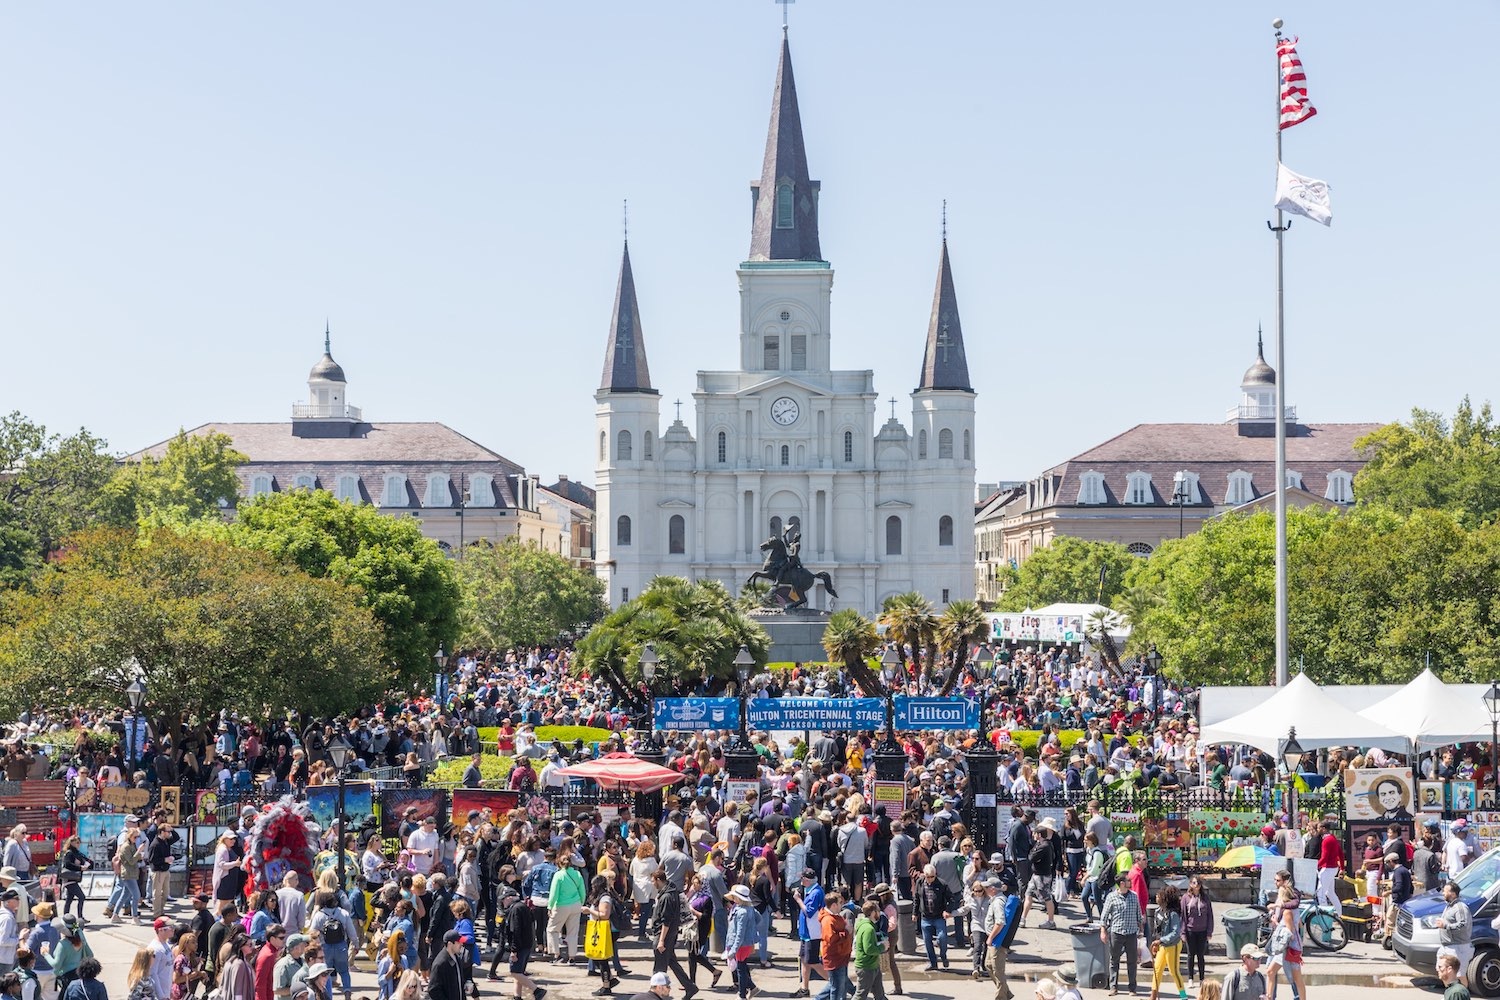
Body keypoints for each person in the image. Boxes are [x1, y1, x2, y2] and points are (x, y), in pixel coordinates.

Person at [646, 870, 696, 1000]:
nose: (652, 884)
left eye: (653, 881)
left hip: (664, 935)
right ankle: (690, 987)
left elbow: (666, 921)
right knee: (672, 962)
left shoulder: (667, 896)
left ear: (658, 880)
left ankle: (656, 994)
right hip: (670, 934)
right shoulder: (670, 892)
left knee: (659, 968)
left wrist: (661, 940)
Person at [1264, 871, 1305, 1000]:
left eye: (1278, 881)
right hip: (1284, 945)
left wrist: (1278, 908)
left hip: (1287, 946)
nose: (1275, 884)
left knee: (1295, 978)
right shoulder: (1286, 907)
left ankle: (1297, 997)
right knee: (1271, 971)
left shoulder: (1290, 904)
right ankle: (1270, 996)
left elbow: (1291, 933)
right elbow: (1298, 923)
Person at [1100, 875, 1141, 997]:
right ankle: (1113, 986)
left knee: (1132, 962)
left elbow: (1138, 915)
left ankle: (1132, 987)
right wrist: (1103, 931)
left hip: (1131, 933)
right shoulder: (1111, 897)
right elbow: (1104, 916)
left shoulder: (1134, 896)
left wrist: (1141, 931)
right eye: (1128, 880)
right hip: (1116, 932)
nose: (1130, 882)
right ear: (1122, 883)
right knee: (1114, 960)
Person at [983, 879, 1021, 1000]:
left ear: (993, 889)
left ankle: (1001, 997)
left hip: (997, 942)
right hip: (995, 941)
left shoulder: (998, 902)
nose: (985, 889)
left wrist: (990, 937)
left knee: (998, 970)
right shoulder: (995, 900)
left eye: (987, 887)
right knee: (988, 965)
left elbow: (1000, 922)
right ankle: (1006, 992)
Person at [546, 853, 587, 964]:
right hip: (576, 904)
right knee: (573, 932)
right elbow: (582, 891)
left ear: (559, 863)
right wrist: (581, 902)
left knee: (552, 929)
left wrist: (550, 906)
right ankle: (572, 957)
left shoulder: (558, 875)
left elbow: (554, 893)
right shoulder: (577, 874)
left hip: (561, 905)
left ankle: (556, 955)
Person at [1149, 886, 1186, 1000]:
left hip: (1172, 945)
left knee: (1174, 971)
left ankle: (1184, 997)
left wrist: (1161, 940)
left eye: (1159, 895)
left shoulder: (1172, 914)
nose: (1156, 896)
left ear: (1165, 898)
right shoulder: (1158, 911)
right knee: (1157, 969)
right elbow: (1157, 930)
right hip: (1162, 945)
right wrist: (1156, 943)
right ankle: (1153, 996)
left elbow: (1176, 932)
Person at [915, 865, 953, 973]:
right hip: (925, 917)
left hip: (938, 917)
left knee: (942, 938)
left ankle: (943, 955)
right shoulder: (920, 883)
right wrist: (915, 913)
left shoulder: (942, 884)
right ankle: (933, 963)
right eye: (928, 877)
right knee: (927, 942)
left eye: (932, 876)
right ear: (924, 875)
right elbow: (916, 898)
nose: (930, 879)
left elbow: (951, 899)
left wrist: (947, 910)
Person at [722, 885, 757, 1000]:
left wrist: (733, 950)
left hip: (741, 945)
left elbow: (739, 934)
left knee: (740, 970)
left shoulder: (742, 912)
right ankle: (752, 988)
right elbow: (759, 919)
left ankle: (742, 995)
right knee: (742, 967)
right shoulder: (749, 908)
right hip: (744, 943)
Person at [1436, 880, 1473, 988]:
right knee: (1442, 972)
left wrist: (1446, 926)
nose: (1443, 893)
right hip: (1446, 946)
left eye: (1445, 891)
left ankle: (1462, 995)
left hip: (1458, 947)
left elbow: (1463, 925)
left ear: (1452, 894)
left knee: (1459, 975)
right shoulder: (1449, 906)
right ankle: (1449, 994)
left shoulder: (1460, 907)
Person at [1180, 875, 1214, 989]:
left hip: (1202, 930)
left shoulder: (1205, 898)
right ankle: (1190, 978)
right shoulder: (1185, 898)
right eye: (1194, 883)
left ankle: (1201, 978)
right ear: (1190, 884)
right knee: (1190, 955)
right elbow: (1183, 916)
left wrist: (1209, 931)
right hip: (1190, 930)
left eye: (1198, 883)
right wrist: (1183, 932)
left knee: (1201, 955)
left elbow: (1210, 915)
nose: (1196, 885)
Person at [816, 892, 852, 1000]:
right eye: (840, 903)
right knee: (836, 988)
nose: (842, 905)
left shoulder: (835, 916)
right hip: (835, 958)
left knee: (838, 984)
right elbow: (831, 938)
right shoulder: (828, 920)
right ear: (834, 905)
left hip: (841, 956)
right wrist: (846, 932)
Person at [851, 899, 884, 1000]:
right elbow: (869, 949)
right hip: (866, 967)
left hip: (873, 965)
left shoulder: (865, 925)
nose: (879, 913)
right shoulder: (868, 929)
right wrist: (883, 947)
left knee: (879, 994)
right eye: (878, 911)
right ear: (873, 913)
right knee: (860, 995)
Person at [426, 931, 469, 1000]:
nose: (461, 944)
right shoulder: (440, 964)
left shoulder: (457, 958)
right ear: (450, 944)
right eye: (458, 942)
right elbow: (433, 989)